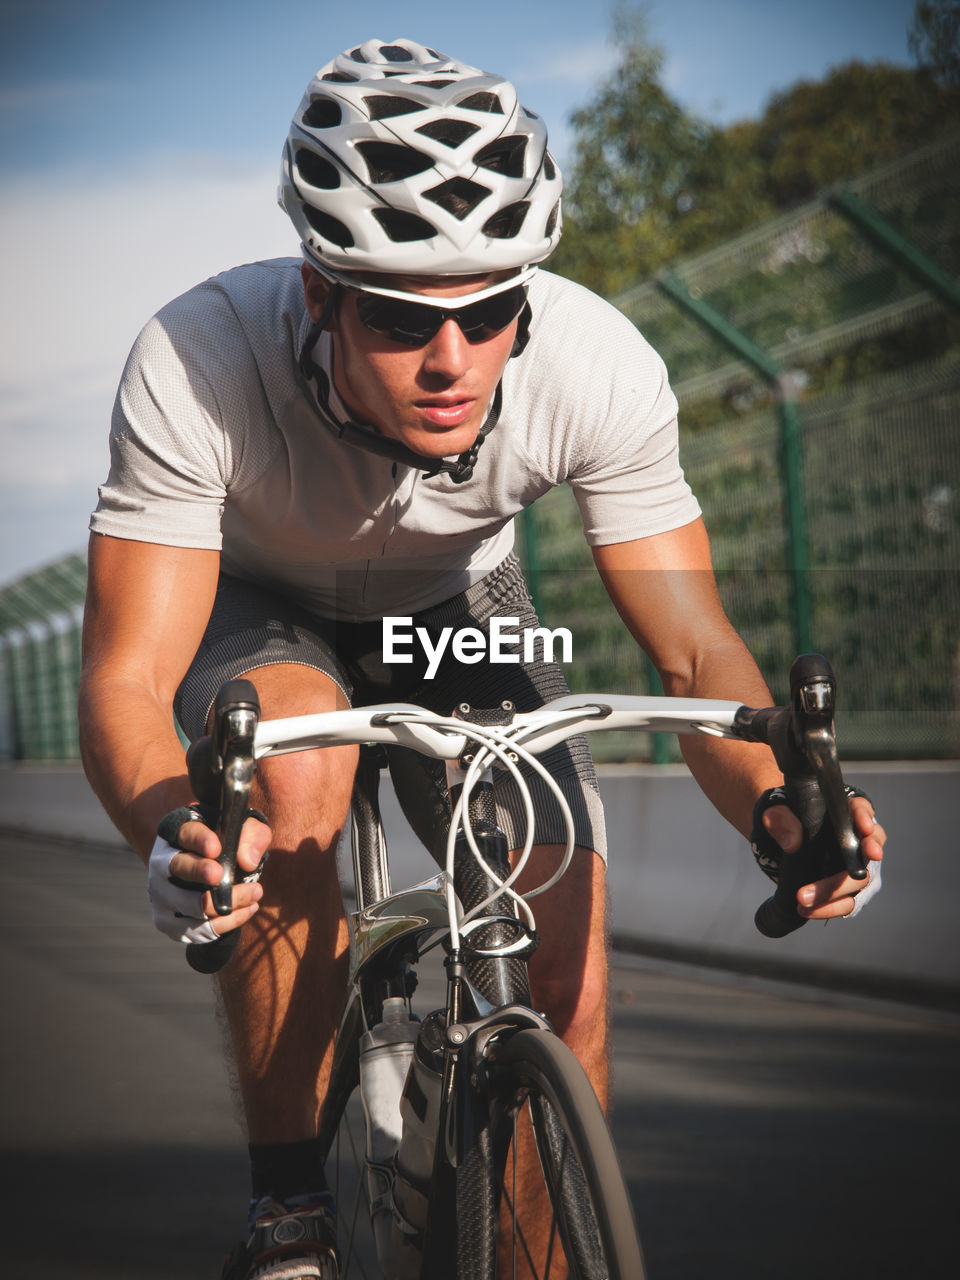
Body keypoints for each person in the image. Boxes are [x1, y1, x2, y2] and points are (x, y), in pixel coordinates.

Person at [78, 37, 884, 1280]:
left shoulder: (595, 361)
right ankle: (291, 1210)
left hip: (454, 605)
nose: (452, 359)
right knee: (291, 782)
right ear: (318, 291)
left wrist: (784, 802)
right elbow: (127, 677)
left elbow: (691, 651)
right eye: (402, 315)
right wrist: (175, 826)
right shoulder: (200, 359)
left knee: (561, 908)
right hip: (261, 599)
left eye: (489, 309)